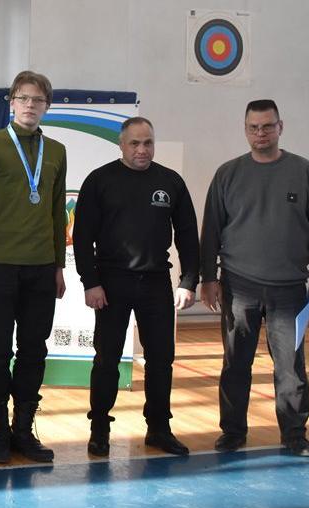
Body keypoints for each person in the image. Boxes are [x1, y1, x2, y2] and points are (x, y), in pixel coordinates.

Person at [200, 99, 309, 458]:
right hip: (238, 286)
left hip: (289, 289)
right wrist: (208, 278)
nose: (260, 133)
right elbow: (210, 230)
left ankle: (294, 435)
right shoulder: (228, 174)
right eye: (253, 127)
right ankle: (232, 432)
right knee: (235, 364)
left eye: (267, 126)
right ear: (245, 130)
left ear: (280, 127)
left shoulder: (306, 173)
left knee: (291, 367)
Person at [72, 117, 199, 457]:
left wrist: (189, 281)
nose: (142, 150)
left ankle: (159, 429)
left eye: (148, 143)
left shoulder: (170, 182)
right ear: (121, 145)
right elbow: (82, 237)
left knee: (161, 360)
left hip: (156, 282)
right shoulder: (100, 181)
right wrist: (91, 282)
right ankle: (99, 429)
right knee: (107, 359)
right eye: (135, 143)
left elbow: (188, 234)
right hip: (111, 283)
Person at [0, 71, 67, 464]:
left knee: (34, 350)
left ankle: (23, 429)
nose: (30, 105)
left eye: (38, 100)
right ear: (11, 102)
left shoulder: (56, 151)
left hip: (41, 267)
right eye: (23, 98)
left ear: (47, 106)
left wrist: (58, 266)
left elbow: (57, 213)